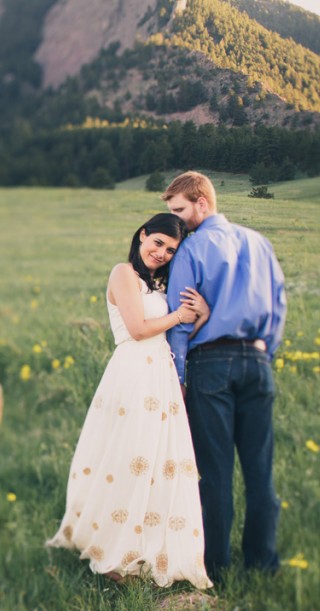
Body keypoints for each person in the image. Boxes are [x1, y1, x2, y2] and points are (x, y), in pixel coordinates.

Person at [46, 213, 213, 590]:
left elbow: (177, 327)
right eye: (157, 243)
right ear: (142, 235)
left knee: (157, 459)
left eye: (170, 250)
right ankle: (113, 550)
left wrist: (197, 314)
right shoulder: (123, 273)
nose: (162, 253)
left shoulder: (160, 282)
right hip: (134, 372)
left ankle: (146, 543)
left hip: (162, 377)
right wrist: (176, 315)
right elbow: (138, 329)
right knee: (129, 457)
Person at [163, 171, 287, 584]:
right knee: (259, 471)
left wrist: (178, 377)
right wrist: (264, 351)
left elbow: (180, 324)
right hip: (258, 362)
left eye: (180, 210)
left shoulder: (191, 250)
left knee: (215, 474)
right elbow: (280, 305)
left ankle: (214, 567)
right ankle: (263, 565)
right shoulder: (260, 243)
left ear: (202, 202)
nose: (177, 221)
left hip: (211, 365)